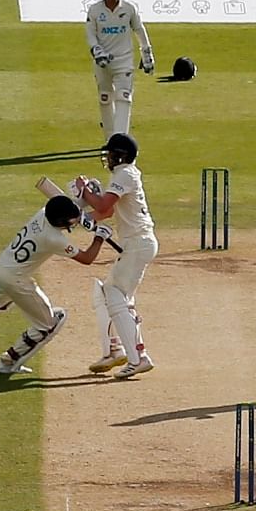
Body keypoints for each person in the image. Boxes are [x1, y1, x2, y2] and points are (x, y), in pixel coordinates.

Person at [0, 195, 115, 375]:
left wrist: (83, 197)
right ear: (60, 221)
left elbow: (67, 210)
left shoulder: (43, 213)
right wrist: (99, 237)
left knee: (0, 296)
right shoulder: (54, 239)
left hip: (3, 265)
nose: (72, 223)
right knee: (49, 324)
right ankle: (8, 362)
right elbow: (87, 258)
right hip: (17, 279)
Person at [73, 132, 158, 378]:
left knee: (113, 293)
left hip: (137, 244)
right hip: (138, 244)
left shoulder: (125, 174)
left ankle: (135, 358)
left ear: (119, 156)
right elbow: (106, 211)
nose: (107, 158)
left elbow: (101, 205)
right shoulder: (124, 175)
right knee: (110, 295)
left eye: (110, 153)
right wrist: (80, 218)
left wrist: (84, 190)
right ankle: (126, 351)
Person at [84, 0, 154, 140]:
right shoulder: (95, 10)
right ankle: (110, 140)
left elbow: (139, 30)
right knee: (105, 98)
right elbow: (90, 33)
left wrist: (147, 54)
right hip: (102, 62)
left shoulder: (128, 9)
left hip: (123, 60)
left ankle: (120, 140)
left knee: (124, 97)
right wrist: (96, 49)